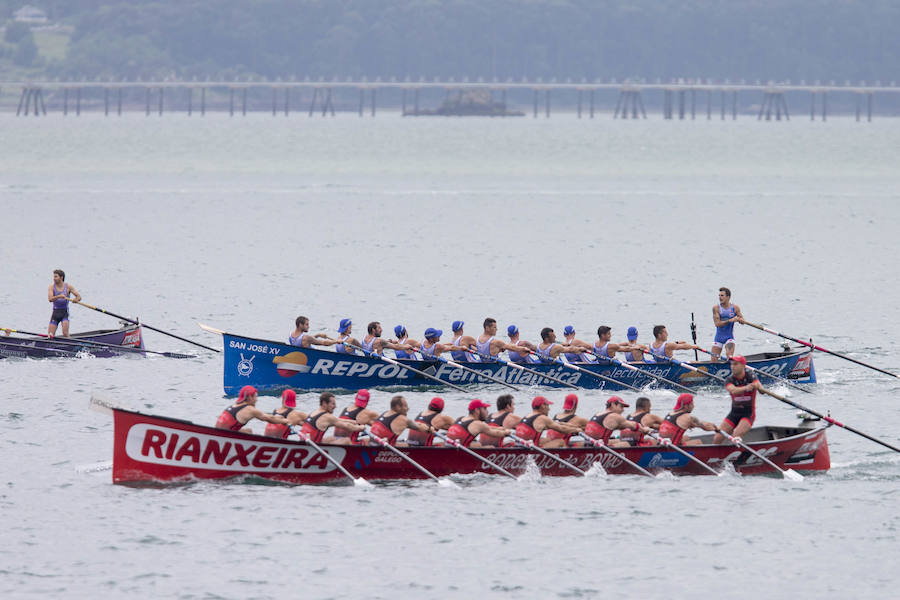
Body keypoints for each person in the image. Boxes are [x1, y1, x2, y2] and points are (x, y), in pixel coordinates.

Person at [713, 355, 762, 444]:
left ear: (743, 365)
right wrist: (746, 388)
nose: (732, 367)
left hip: (748, 414)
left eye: (735, 364)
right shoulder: (729, 379)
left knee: (736, 435)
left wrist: (758, 386)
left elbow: (761, 389)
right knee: (717, 438)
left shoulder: (751, 376)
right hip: (734, 414)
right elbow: (733, 391)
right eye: (731, 364)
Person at [514, 396, 583, 448]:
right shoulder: (543, 418)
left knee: (547, 440)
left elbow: (555, 425)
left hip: (522, 446)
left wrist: (571, 426)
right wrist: (577, 430)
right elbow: (563, 430)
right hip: (532, 449)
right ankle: (567, 458)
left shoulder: (527, 416)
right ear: (543, 406)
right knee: (560, 441)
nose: (549, 409)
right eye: (548, 406)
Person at [216, 385, 290, 434]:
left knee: (248, 431)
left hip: (219, 433)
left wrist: (278, 417)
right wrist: (284, 421)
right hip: (224, 435)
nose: (256, 400)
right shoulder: (249, 409)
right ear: (250, 397)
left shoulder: (234, 406)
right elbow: (268, 418)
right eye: (255, 397)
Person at [300, 392, 367, 443]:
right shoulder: (326, 417)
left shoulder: (315, 413)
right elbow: (347, 426)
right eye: (333, 404)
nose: (335, 406)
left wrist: (353, 421)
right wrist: (361, 428)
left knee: (331, 438)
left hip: (307, 443)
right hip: (313, 446)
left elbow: (336, 420)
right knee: (346, 440)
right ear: (324, 403)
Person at [584, 396, 648, 448]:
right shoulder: (614, 416)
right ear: (613, 405)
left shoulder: (598, 414)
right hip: (598, 448)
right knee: (626, 444)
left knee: (618, 440)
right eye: (621, 407)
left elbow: (621, 427)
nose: (623, 410)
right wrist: (644, 430)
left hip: (588, 444)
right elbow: (634, 425)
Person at [368, 395, 432, 447]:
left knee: (405, 444)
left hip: (373, 445)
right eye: (405, 406)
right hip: (383, 450)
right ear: (398, 407)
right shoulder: (403, 419)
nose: (407, 409)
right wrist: (430, 428)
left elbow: (413, 424)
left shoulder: (385, 413)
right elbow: (421, 428)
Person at [447, 399, 512, 448]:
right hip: (458, 450)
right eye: (485, 409)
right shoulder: (478, 424)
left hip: (450, 446)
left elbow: (487, 427)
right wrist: (506, 432)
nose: (487, 411)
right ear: (477, 410)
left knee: (478, 444)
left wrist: (500, 428)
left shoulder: (461, 418)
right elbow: (495, 434)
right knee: (490, 447)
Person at [711, 287, 745, 360]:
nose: (720, 297)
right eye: (719, 295)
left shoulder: (735, 308)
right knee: (713, 361)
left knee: (729, 356)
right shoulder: (716, 308)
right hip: (718, 338)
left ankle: (731, 367)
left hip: (729, 338)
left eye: (722, 295)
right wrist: (730, 320)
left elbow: (743, 321)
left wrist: (740, 320)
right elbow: (717, 324)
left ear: (728, 297)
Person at [47, 269, 81, 337]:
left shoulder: (68, 287)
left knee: (65, 333)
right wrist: (59, 296)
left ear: (61, 277)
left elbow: (79, 297)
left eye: (56, 277)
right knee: (50, 335)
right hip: (55, 313)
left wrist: (76, 300)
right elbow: (50, 299)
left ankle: (72, 345)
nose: (54, 279)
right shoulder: (51, 287)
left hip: (64, 313)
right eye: (53, 277)